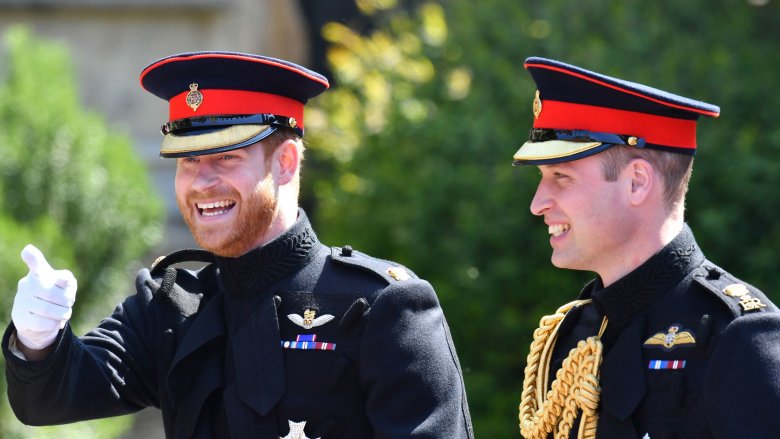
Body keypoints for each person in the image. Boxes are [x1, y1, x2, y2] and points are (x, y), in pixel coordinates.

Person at [3, 51, 474, 439]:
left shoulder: (380, 307)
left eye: (226, 157)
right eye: (187, 162)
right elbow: (50, 398)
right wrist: (39, 339)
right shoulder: (172, 310)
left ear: (286, 162)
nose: (201, 182)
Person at [513, 57, 780, 438]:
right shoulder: (574, 335)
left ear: (637, 182)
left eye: (561, 177)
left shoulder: (737, 335)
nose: (537, 203)